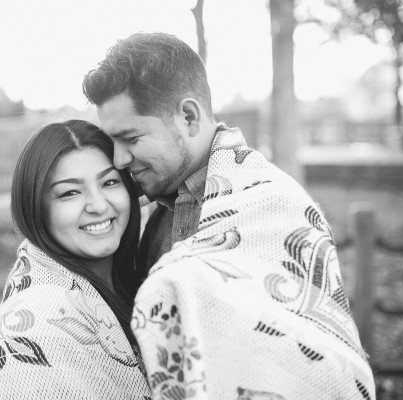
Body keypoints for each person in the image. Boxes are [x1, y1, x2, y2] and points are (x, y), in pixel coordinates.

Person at [83, 33, 375, 399]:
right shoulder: (148, 207)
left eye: (131, 138)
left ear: (188, 117)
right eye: (113, 143)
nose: (120, 159)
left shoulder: (275, 205)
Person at [0, 120, 151, 399]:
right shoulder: (38, 323)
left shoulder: (140, 276)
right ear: (36, 209)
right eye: (70, 193)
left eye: (110, 182)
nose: (98, 205)